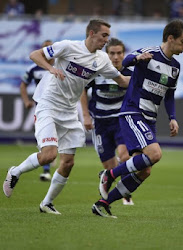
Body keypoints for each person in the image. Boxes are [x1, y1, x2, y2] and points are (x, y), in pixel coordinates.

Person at [3, 18, 130, 215]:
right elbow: (34, 55)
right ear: (91, 34)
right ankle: (15, 172)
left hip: (69, 111)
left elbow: (122, 81)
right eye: (104, 35)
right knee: (49, 155)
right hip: (49, 105)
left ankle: (47, 203)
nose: (106, 40)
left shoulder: (101, 60)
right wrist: (51, 68)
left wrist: (144, 78)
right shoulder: (68, 47)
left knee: (68, 162)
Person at [92, 19, 183, 218]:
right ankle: (109, 174)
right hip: (133, 112)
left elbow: (169, 94)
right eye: (182, 41)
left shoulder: (175, 67)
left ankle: (103, 203)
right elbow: (126, 62)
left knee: (145, 170)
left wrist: (172, 117)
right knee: (155, 155)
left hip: (150, 119)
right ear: (170, 38)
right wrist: (137, 60)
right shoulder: (150, 53)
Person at [80, 37, 134, 205]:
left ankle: (126, 193)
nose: (116, 57)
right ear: (106, 54)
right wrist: (86, 116)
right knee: (109, 167)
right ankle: (112, 176)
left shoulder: (129, 74)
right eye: (112, 53)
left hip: (120, 121)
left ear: (124, 54)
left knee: (125, 155)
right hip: (100, 124)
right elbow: (82, 90)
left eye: (119, 53)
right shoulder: (96, 71)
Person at [20, 40, 54, 182]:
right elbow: (23, 85)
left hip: (59, 108)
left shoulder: (60, 66)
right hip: (42, 108)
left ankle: (59, 167)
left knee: (57, 141)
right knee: (46, 139)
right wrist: (26, 101)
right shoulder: (33, 69)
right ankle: (47, 170)